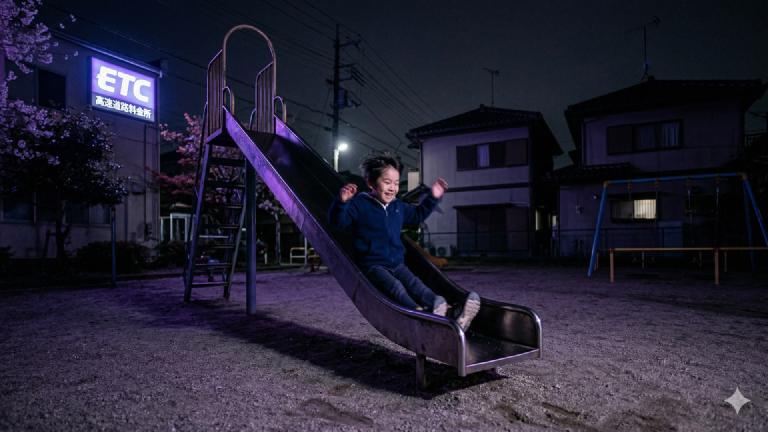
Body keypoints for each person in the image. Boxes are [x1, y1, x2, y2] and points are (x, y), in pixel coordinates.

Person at [328, 153, 480, 331]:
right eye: (387, 182)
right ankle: (419, 315)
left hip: (397, 263)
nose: (393, 187)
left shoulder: (397, 206)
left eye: (396, 183)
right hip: (373, 265)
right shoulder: (360, 204)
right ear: (371, 183)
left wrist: (433, 196)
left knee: (417, 285)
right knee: (396, 287)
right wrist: (342, 203)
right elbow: (338, 222)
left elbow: (418, 216)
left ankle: (448, 313)